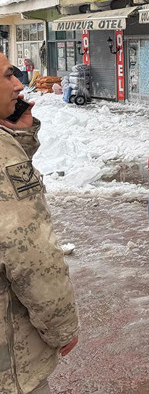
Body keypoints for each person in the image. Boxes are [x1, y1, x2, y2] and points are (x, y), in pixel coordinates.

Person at [0, 52, 78, 394]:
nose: (19, 83)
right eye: (6, 76)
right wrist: (62, 327)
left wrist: (19, 137)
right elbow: (30, 253)